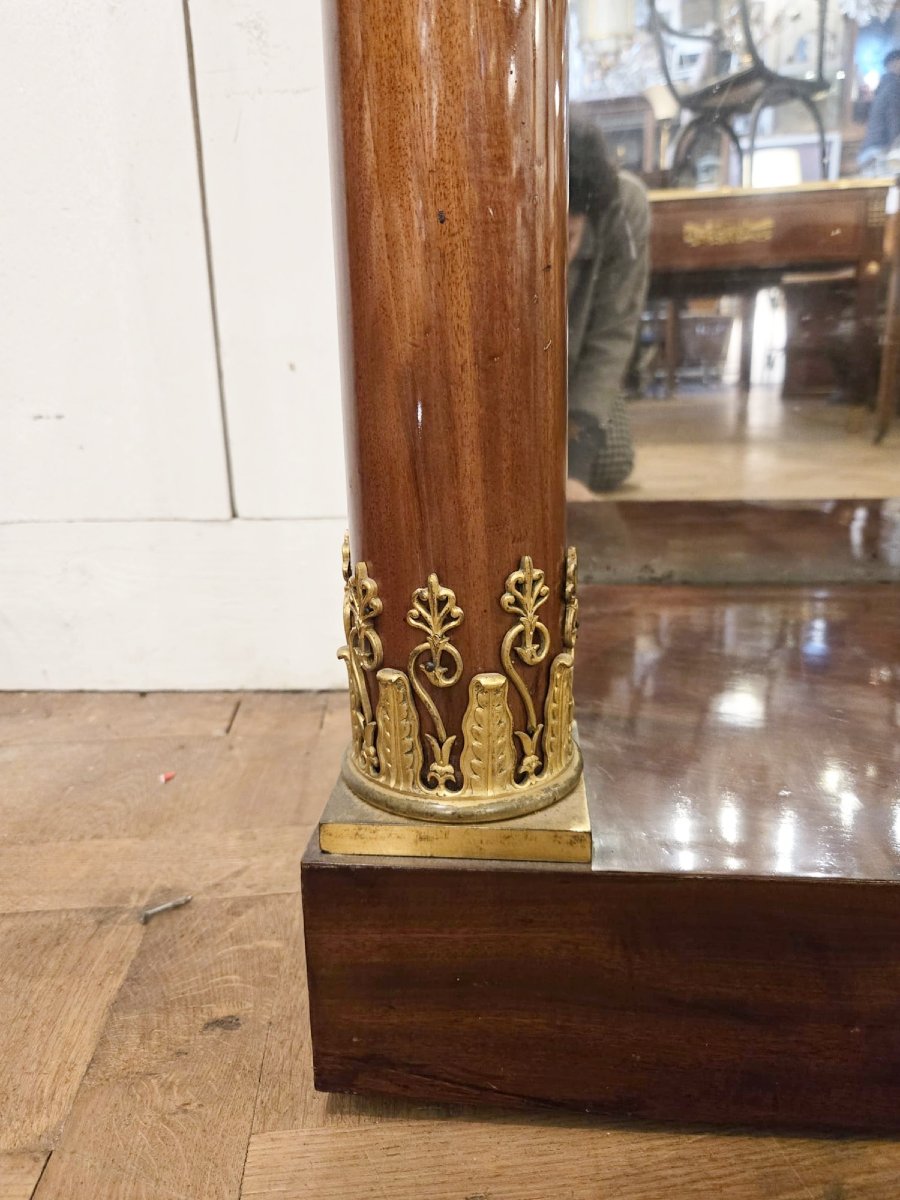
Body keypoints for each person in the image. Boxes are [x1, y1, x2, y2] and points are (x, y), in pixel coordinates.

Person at [568, 114, 650, 493]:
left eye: (565, 235)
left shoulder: (625, 207)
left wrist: (574, 474)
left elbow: (613, 333)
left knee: (609, 461)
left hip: (577, 368)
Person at [859, 49, 900, 171]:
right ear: (895, 63)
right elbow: (894, 119)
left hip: (869, 151)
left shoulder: (883, 87)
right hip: (882, 151)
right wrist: (896, 149)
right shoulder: (895, 86)